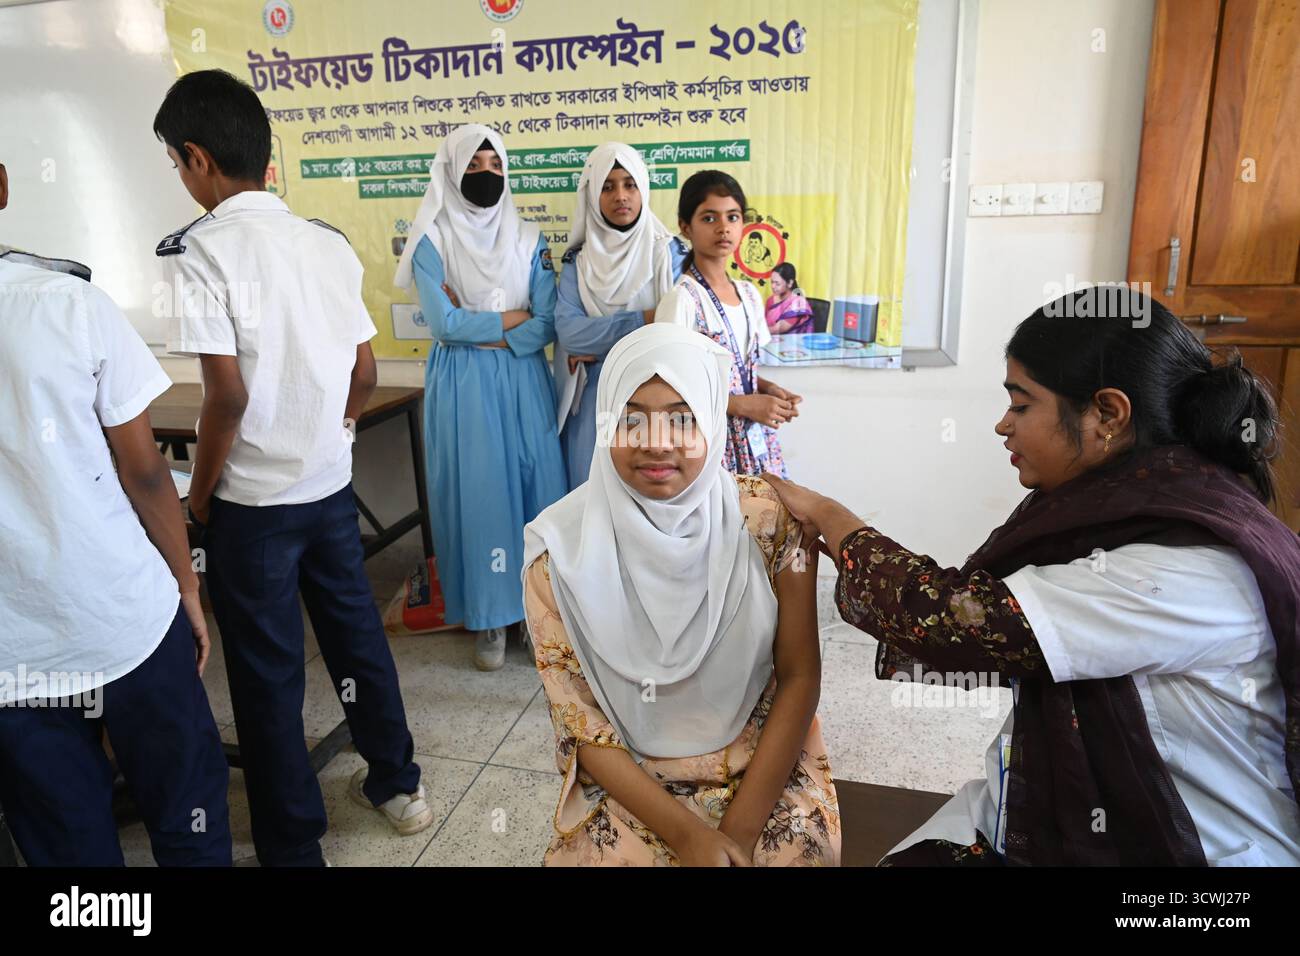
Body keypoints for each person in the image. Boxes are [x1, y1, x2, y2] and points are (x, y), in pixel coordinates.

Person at [765, 288, 1300, 866]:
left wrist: (830, 517)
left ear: (1107, 415)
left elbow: (951, 621)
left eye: (1021, 405)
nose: (1003, 425)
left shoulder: (1177, 570)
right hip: (1047, 807)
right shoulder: (1156, 501)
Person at [156, 70, 432, 866]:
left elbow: (227, 398)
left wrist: (198, 500)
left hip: (251, 509)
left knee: (269, 677)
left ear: (199, 159)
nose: (181, 177)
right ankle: (398, 784)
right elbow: (366, 376)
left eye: (177, 162)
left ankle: (293, 845)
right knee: (357, 643)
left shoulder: (203, 253)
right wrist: (325, 435)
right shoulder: (325, 242)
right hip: (327, 490)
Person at [522, 323, 840, 866]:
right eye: (631, 417)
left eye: (682, 417)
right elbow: (581, 724)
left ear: (714, 419)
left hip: (763, 764)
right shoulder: (558, 555)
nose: (656, 441)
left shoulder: (772, 526)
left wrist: (735, 832)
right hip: (634, 780)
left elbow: (800, 676)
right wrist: (689, 836)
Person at [0, 160, 231, 866]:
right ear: (3, 185)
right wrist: (189, 590)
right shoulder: (66, 303)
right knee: (187, 813)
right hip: (123, 620)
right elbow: (144, 473)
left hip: (13, 658)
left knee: (68, 852)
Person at [395, 124, 567, 671]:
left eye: (495, 166)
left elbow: (546, 326)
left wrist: (482, 324)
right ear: (450, 170)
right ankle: (490, 617)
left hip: (523, 377)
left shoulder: (528, 236)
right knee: (481, 495)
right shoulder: (431, 239)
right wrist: (509, 321)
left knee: (537, 486)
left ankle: (536, 614)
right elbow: (443, 324)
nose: (486, 175)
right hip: (464, 383)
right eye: (473, 166)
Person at [553, 142, 687, 488]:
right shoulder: (577, 262)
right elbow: (569, 334)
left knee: (649, 497)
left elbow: (676, 329)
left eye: (630, 184)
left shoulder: (667, 253)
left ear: (643, 189)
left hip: (655, 393)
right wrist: (645, 319)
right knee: (590, 492)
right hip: (594, 398)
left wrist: (599, 344)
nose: (620, 196)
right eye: (607, 187)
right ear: (593, 197)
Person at [655, 170, 802, 478]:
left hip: (753, 440)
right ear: (686, 227)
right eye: (709, 218)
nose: (723, 228)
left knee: (764, 519)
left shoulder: (748, 294)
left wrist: (769, 390)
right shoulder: (683, 300)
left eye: (732, 217)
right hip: (706, 442)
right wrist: (742, 405)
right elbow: (667, 389)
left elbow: (739, 370)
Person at [764, 262, 816, 335]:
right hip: (769, 342)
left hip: (792, 345)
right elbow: (763, 323)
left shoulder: (798, 304)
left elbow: (776, 330)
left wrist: (756, 332)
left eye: (777, 283)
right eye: (772, 282)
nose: (773, 286)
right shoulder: (770, 301)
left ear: (790, 283)